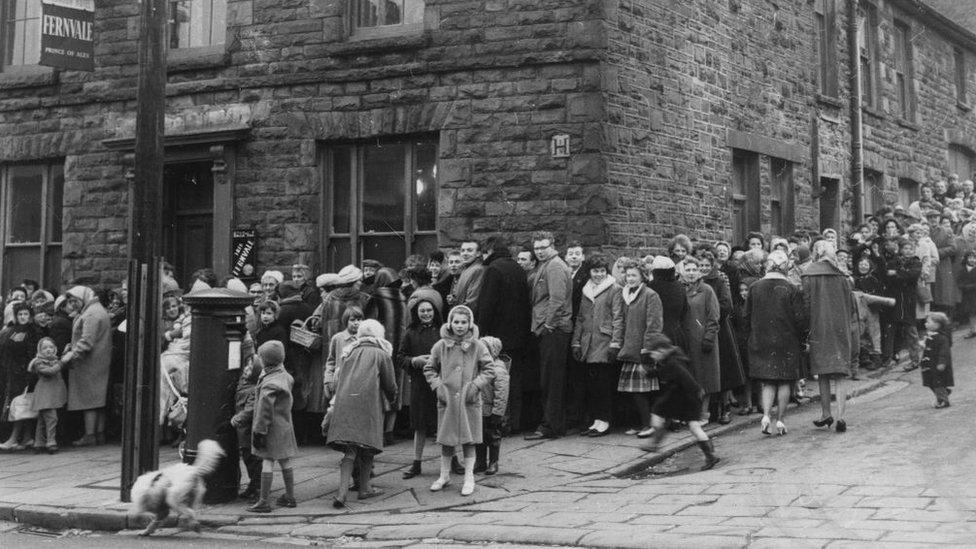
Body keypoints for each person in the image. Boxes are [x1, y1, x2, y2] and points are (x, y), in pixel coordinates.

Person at [424, 305, 496, 496]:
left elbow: (489, 369)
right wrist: (438, 386)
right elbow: (429, 368)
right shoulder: (440, 346)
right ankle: (444, 475)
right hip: (447, 399)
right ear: (450, 323)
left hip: (468, 400)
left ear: (470, 323)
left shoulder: (478, 346)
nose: (460, 326)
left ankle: (469, 477)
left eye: (464, 322)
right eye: (456, 322)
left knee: (468, 440)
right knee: (447, 440)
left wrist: (475, 387)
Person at [327, 319, 398, 507]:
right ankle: (364, 489)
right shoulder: (381, 354)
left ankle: (341, 494)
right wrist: (392, 399)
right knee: (368, 448)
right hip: (369, 405)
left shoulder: (348, 352)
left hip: (345, 402)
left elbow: (337, 377)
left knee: (350, 449)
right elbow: (390, 384)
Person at [745, 251, 807, 436]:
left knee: (768, 381)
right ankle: (780, 420)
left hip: (762, 340)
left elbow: (746, 316)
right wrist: (803, 339)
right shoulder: (791, 288)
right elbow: (800, 319)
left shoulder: (754, 287)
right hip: (786, 341)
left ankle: (765, 415)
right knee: (785, 381)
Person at [475, 235, 532, 433]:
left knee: (497, 382)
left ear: (490, 251)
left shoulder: (493, 269)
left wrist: (479, 332)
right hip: (519, 335)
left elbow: (487, 305)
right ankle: (514, 423)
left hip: (498, 337)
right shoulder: (517, 267)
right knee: (513, 381)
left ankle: (500, 423)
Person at [638, 337, 720, 471]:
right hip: (683, 398)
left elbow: (686, 380)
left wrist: (697, 394)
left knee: (666, 416)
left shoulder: (673, 363)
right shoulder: (671, 360)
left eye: (654, 353)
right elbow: (663, 374)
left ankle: (655, 443)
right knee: (668, 417)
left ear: (661, 351)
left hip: (687, 399)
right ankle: (710, 454)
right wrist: (648, 374)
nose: (652, 357)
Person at [803, 240, 855, 433]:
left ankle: (826, 414)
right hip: (840, 327)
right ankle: (841, 416)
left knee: (823, 372)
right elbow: (850, 304)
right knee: (840, 373)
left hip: (819, 327)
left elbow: (806, 305)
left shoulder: (809, 273)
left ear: (816, 253)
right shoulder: (842, 275)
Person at [525, 232, 573, 441]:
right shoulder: (547, 264)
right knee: (549, 378)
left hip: (554, 331)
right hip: (549, 329)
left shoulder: (554, 266)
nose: (540, 251)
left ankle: (550, 426)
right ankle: (554, 424)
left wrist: (548, 325)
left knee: (551, 380)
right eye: (536, 248)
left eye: (543, 247)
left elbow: (557, 300)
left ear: (553, 245)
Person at [571, 252, 623, 437]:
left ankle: (605, 421)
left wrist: (615, 344)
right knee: (592, 384)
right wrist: (576, 342)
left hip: (604, 341)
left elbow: (618, 317)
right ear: (590, 272)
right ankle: (596, 420)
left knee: (603, 384)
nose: (598, 274)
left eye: (601, 271)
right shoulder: (586, 289)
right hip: (588, 342)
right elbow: (580, 318)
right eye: (595, 271)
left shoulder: (614, 289)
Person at [614, 259, 664, 437]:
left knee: (641, 392)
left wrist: (647, 349)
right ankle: (638, 423)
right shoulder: (625, 294)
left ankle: (648, 424)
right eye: (627, 275)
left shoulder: (650, 295)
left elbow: (654, 325)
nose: (630, 279)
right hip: (628, 349)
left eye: (634, 275)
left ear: (643, 276)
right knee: (631, 391)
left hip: (642, 350)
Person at [248, 340, 298, 513]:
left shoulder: (270, 383)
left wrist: (259, 431)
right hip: (284, 426)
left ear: (265, 360)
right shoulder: (285, 377)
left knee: (267, 462)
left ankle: (264, 501)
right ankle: (290, 497)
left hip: (270, 429)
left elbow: (264, 411)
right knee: (285, 460)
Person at [398, 290, 443, 480]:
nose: (426, 314)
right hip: (419, 384)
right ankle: (416, 463)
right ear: (416, 313)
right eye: (422, 311)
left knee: (445, 423)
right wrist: (414, 360)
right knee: (420, 425)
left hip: (441, 383)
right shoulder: (410, 333)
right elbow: (400, 357)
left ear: (435, 311)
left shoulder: (443, 331)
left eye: (429, 310)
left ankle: (453, 460)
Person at [61, 286, 112, 447]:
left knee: (89, 400)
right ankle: (98, 434)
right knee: (98, 400)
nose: (73, 304)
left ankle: (90, 435)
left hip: (89, 363)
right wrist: (72, 345)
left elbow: (87, 341)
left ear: (82, 297)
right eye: (70, 301)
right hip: (99, 360)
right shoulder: (96, 309)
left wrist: (71, 354)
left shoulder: (90, 313)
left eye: (74, 300)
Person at [680, 258, 720, 424]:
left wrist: (709, 337)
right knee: (690, 379)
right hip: (686, 341)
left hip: (702, 340)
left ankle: (704, 414)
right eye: (687, 270)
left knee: (705, 379)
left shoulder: (706, 290)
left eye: (693, 270)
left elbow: (714, 316)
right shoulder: (679, 289)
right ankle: (690, 413)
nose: (690, 273)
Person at [0, 302, 40, 450]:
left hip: (25, 373)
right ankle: (27, 437)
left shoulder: (32, 331)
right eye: (20, 314)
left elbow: (32, 353)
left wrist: (28, 370)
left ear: (30, 316)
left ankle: (14, 438)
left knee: (20, 404)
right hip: (13, 371)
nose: (23, 317)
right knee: (22, 404)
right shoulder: (14, 330)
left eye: (25, 314)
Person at [230, 341, 262, 502]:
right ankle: (253, 485)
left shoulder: (253, 389)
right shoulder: (243, 383)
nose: (246, 370)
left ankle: (257, 487)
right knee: (248, 458)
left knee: (252, 460)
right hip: (242, 431)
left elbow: (250, 410)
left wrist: (238, 418)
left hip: (247, 431)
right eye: (247, 366)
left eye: (250, 369)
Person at [475, 336, 509, 475]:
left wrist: (498, 412)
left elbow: (502, 393)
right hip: (480, 408)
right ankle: (480, 461)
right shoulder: (479, 368)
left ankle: (493, 462)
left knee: (493, 436)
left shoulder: (498, 370)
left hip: (491, 410)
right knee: (479, 437)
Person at [27, 337, 67, 453]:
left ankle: (39, 443)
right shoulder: (38, 362)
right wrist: (62, 362)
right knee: (52, 419)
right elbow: (49, 372)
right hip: (45, 395)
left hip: (51, 395)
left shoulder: (55, 360)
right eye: (44, 348)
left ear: (55, 349)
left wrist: (64, 354)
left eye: (51, 347)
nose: (48, 350)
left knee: (42, 420)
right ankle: (51, 442)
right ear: (40, 350)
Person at [323, 307, 364, 401]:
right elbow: (331, 361)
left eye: (359, 320)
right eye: (352, 320)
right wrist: (328, 380)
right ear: (346, 321)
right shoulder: (338, 338)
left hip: (358, 384)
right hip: (340, 383)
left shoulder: (363, 339)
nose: (356, 323)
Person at [919, 312, 953, 408]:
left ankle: (943, 400)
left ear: (937, 325)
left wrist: (942, 362)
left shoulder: (942, 338)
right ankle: (944, 392)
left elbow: (944, 352)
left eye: (928, 322)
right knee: (931, 382)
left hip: (937, 364)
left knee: (938, 382)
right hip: (929, 364)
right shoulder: (931, 335)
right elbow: (928, 347)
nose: (926, 324)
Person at [451, 240, 486, 312]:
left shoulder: (478, 270)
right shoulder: (466, 269)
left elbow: (472, 301)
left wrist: (457, 313)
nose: (465, 253)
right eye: (463, 250)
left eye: (469, 250)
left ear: (478, 253)